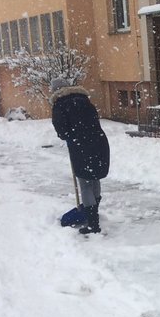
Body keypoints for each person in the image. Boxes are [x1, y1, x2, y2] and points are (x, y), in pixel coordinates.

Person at [49, 77, 110, 235]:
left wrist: (69, 136)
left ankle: (92, 223)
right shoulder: (84, 99)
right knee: (94, 177)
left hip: (80, 144)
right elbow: (93, 121)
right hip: (98, 141)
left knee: (84, 182)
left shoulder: (60, 104)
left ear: (55, 90)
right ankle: (93, 213)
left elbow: (62, 130)